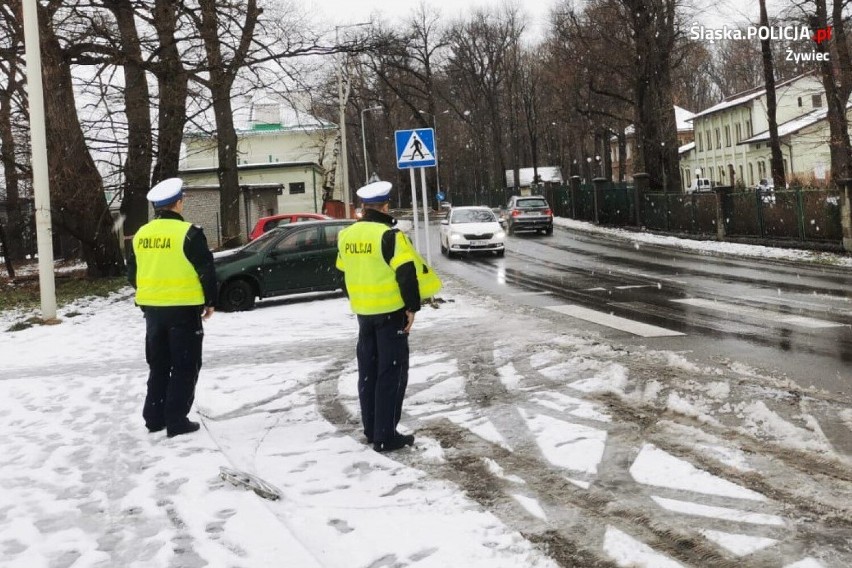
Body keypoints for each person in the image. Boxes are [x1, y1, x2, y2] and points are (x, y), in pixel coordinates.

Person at [336, 180, 441, 453]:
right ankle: (386, 435)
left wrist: (358, 300)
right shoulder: (390, 236)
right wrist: (411, 308)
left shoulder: (346, 235)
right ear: (385, 206)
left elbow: (341, 274)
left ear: (363, 207)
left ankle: (371, 429)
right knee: (391, 373)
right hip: (390, 314)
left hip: (363, 315)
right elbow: (406, 274)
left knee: (368, 373)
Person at [126, 178, 217, 438]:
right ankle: (176, 419)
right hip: (183, 310)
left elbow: (132, 273)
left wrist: (152, 291)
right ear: (178, 203)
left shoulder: (141, 234)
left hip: (152, 311)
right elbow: (206, 271)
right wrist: (210, 301)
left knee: (159, 363)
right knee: (185, 365)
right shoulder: (190, 233)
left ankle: (154, 418)